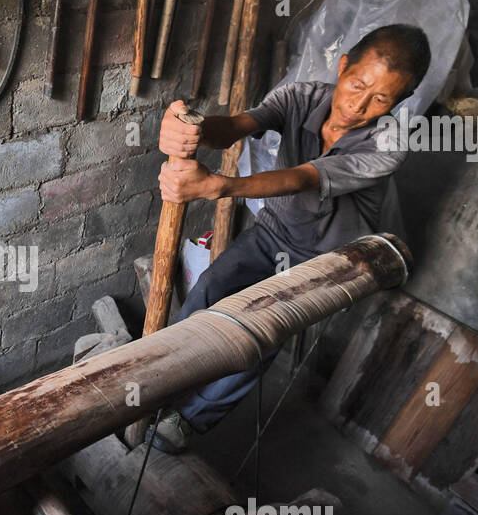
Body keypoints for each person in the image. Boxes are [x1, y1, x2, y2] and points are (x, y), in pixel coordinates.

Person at [147, 23, 432, 453]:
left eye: (381, 99)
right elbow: (240, 125)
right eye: (357, 85)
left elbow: (303, 177)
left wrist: (219, 186)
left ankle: (189, 420)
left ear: (401, 101)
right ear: (343, 66)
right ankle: (167, 382)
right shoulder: (302, 96)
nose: (359, 105)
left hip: (327, 260)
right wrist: (195, 129)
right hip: (274, 232)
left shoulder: (389, 143)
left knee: (257, 336)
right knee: (208, 291)